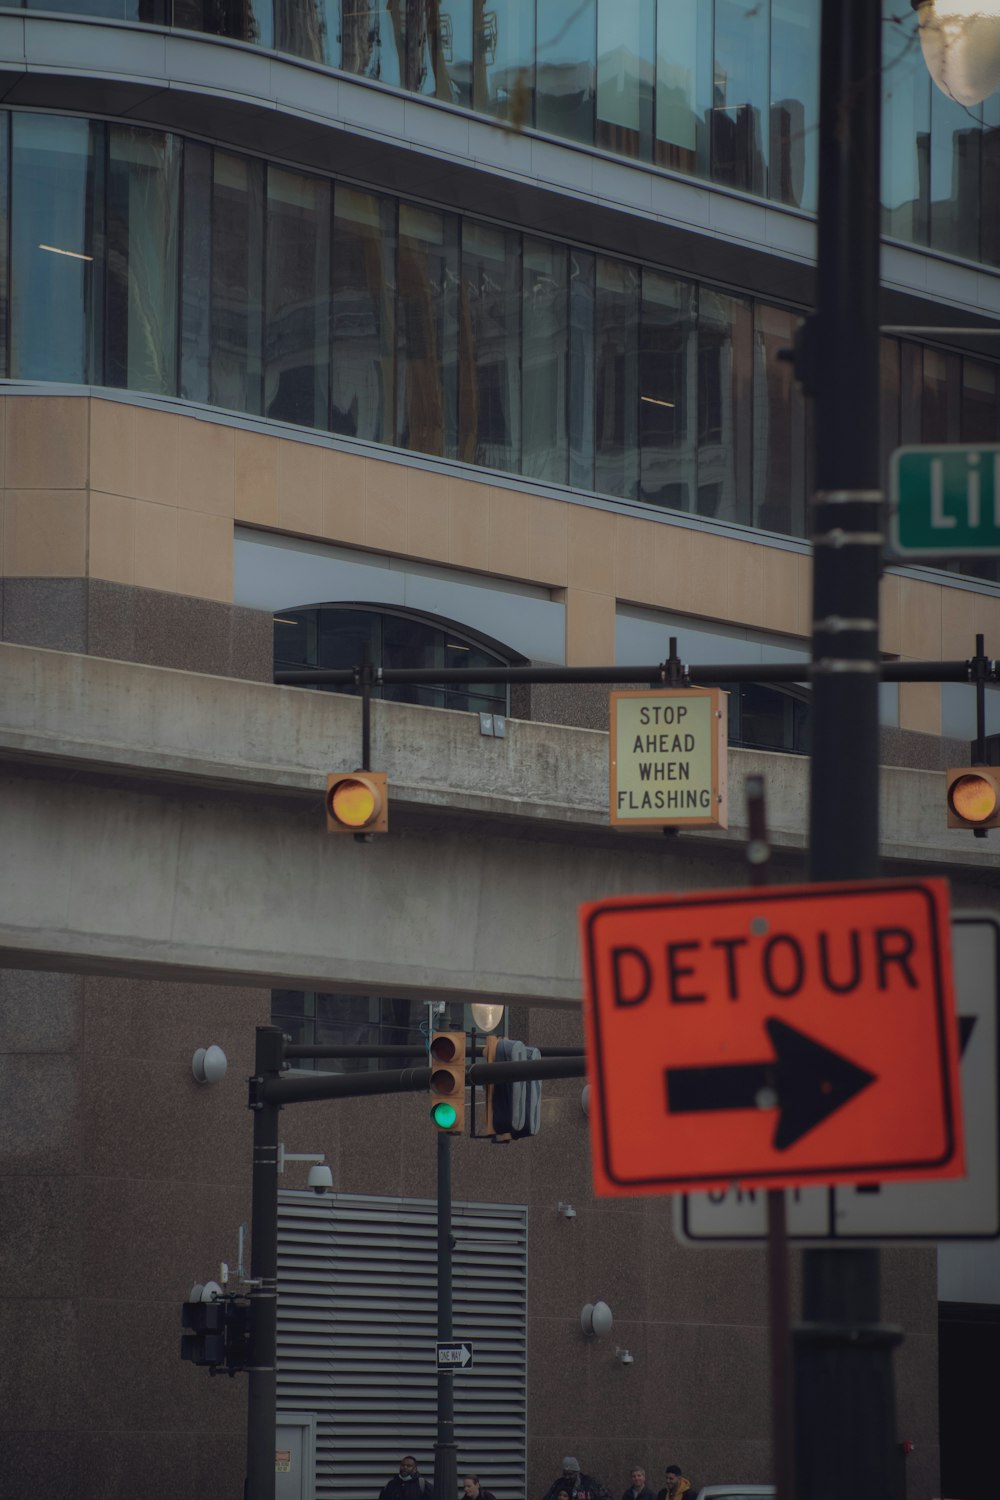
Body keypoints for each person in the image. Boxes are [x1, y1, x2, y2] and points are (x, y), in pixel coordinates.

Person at [541, 1457, 611, 1500]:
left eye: (570, 1474)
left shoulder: (591, 1483)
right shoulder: (558, 1484)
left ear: (577, 1472)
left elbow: (607, 1497)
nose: (567, 1477)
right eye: (565, 1474)